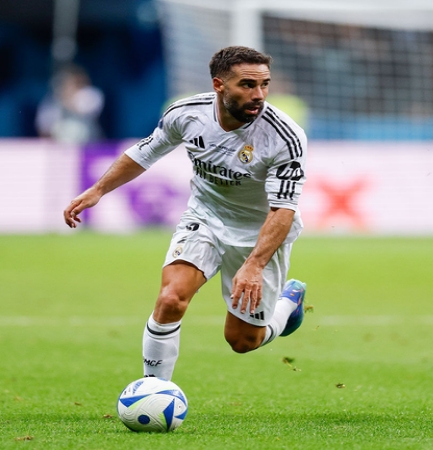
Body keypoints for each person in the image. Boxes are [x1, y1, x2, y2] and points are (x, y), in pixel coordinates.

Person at [63, 46, 309, 380]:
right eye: (247, 85)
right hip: (205, 216)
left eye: (264, 84)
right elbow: (144, 153)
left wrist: (254, 264)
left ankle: (287, 305)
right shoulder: (187, 113)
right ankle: (153, 391)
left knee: (242, 340)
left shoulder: (284, 136)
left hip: (259, 233)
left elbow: (283, 209)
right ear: (219, 85)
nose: (259, 95)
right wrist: (98, 189)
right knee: (170, 299)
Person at [36, 64, 105, 144]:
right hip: (61, 146)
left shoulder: (91, 93)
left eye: (71, 81)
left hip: (89, 143)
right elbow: (44, 126)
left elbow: (84, 108)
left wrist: (64, 97)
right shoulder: (52, 100)